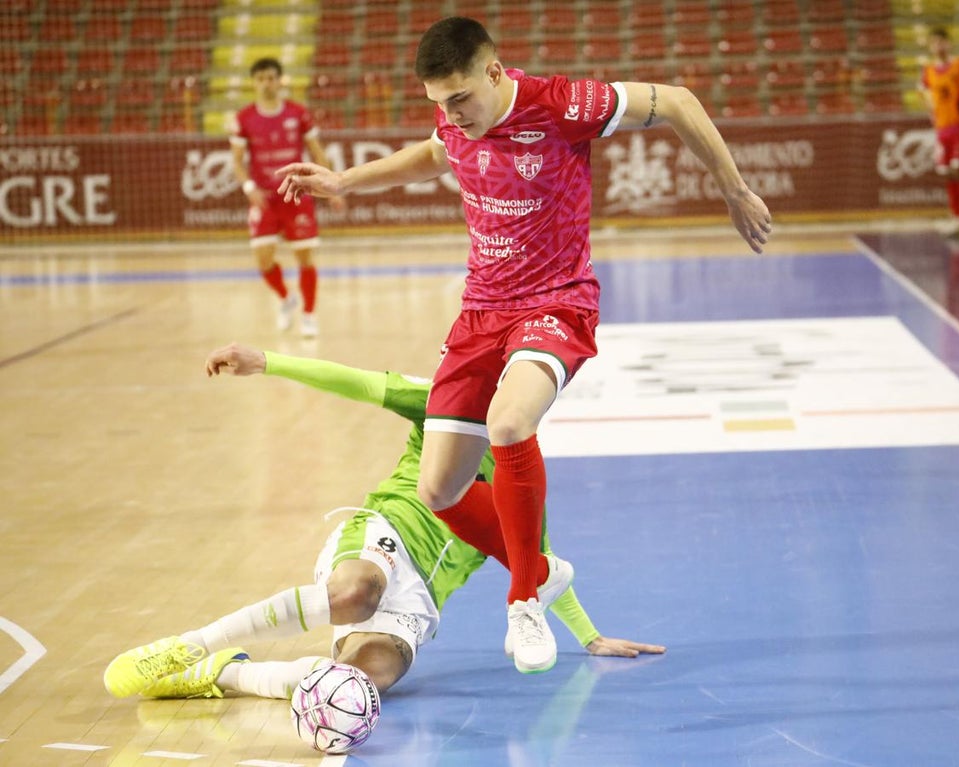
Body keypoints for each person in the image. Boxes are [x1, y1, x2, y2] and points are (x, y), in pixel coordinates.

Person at [274, 17, 772, 674]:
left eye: (461, 98)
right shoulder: (456, 119)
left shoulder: (561, 105)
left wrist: (734, 190)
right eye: (440, 103)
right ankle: (541, 568)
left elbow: (678, 101)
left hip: (555, 304)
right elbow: (434, 153)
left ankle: (524, 600)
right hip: (481, 313)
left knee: (509, 422)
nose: (453, 114)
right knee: (440, 489)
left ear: (495, 72)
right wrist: (344, 182)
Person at [103, 343, 665, 702]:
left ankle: (225, 673)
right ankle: (189, 646)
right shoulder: (444, 402)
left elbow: (535, 566)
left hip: (419, 601)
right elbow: (359, 381)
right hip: (384, 536)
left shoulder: (522, 474)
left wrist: (590, 638)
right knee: (354, 594)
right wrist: (268, 361)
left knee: (356, 686)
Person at [230, 57, 345, 338]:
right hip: (264, 199)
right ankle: (285, 298)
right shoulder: (244, 118)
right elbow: (237, 162)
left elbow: (317, 152)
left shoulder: (298, 113)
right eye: (261, 79)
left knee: (305, 257)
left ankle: (308, 314)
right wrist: (249, 188)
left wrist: (333, 186)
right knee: (263, 259)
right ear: (254, 83)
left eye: (271, 78)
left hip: (296, 194)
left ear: (279, 81)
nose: (266, 84)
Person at [920, 27, 959, 237]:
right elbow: (925, 94)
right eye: (935, 43)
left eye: (942, 42)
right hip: (942, 129)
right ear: (930, 47)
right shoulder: (928, 71)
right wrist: (932, 114)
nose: (939, 46)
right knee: (949, 174)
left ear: (949, 43)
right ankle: (957, 216)